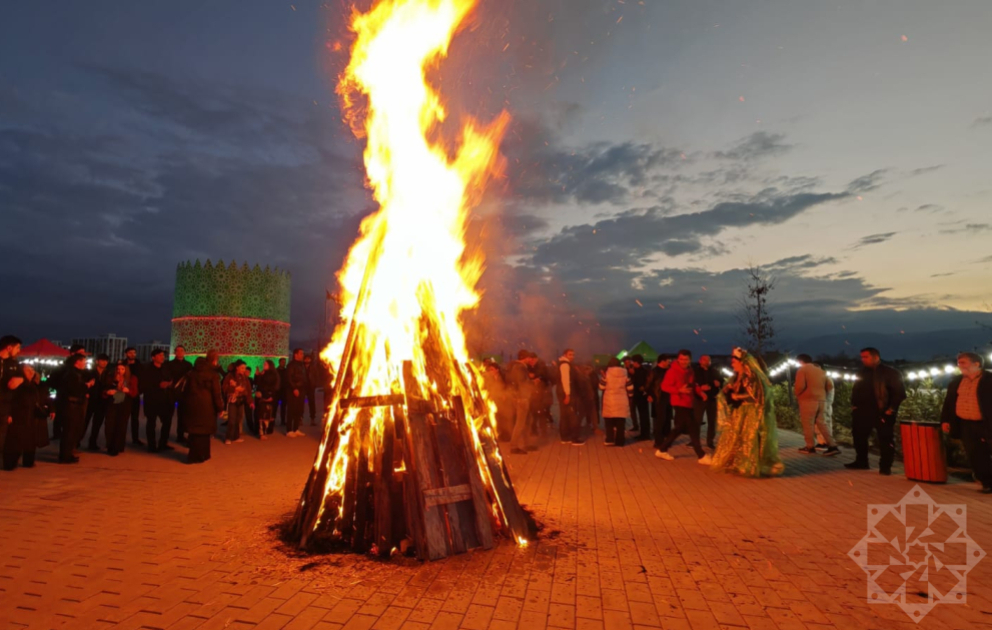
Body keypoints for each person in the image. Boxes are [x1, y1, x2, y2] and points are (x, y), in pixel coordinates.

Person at [710, 348, 784, 477]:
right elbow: (729, 390)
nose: (732, 365)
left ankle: (749, 465)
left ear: (742, 362)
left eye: (734, 362)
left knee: (749, 439)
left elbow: (755, 395)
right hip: (739, 412)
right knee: (737, 438)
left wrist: (736, 397)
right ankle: (738, 463)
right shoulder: (737, 376)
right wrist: (728, 391)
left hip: (750, 412)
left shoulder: (752, 376)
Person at [846, 347, 906, 475]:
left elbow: (899, 393)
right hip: (862, 412)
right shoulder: (862, 372)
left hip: (882, 412)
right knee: (859, 437)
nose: (863, 360)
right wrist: (854, 405)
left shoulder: (890, 372)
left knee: (885, 439)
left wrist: (891, 409)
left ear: (876, 357)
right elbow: (856, 389)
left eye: (866, 357)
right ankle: (861, 461)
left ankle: (885, 466)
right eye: (862, 357)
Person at [941, 352, 992, 493]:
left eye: (963, 362)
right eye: (958, 362)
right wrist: (945, 420)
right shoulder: (956, 381)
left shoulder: (989, 380)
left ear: (976, 364)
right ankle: (987, 483)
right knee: (975, 454)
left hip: (986, 423)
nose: (959, 365)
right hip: (966, 424)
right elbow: (949, 403)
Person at [655, 349, 709, 463]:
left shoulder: (690, 371)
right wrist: (679, 390)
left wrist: (700, 392)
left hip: (689, 402)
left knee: (679, 428)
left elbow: (693, 385)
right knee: (694, 428)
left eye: (686, 359)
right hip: (679, 402)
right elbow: (664, 386)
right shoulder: (672, 371)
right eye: (681, 359)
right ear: (677, 359)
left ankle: (662, 449)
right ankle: (701, 455)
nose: (683, 361)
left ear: (690, 360)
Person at [2, 364, 48, 470]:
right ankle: (10, 463)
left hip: (30, 416)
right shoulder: (17, 383)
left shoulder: (32, 384)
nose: (31, 372)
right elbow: (9, 399)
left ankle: (28, 461)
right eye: (28, 370)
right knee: (14, 441)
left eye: (32, 369)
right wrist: (8, 414)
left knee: (30, 440)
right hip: (18, 416)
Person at [794, 355, 840, 456]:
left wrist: (797, 394)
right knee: (822, 423)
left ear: (800, 361)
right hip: (822, 400)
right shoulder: (822, 371)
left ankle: (810, 447)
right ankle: (832, 445)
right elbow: (829, 386)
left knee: (808, 424)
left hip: (808, 400)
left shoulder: (803, 370)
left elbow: (800, 386)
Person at [184, 351, 223, 464]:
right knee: (204, 432)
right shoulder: (212, 374)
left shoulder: (191, 373)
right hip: (207, 406)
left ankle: (197, 455)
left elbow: (186, 390)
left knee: (195, 432)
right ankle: (202, 455)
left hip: (192, 405)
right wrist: (220, 408)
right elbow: (216, 393)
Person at [60, 354, 93, 464]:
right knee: (69, 431)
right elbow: (75, 389)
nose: (85, 363)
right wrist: (87, 385)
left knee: (73, 431)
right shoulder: (71, 374)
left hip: (75, 404)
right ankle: (65, 456)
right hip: (71, 405)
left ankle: (68, 453)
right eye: (84, 361)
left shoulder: (76, 373)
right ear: (77, 362)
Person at [141, 349, 174, 452]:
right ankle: (152, 445)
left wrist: (169, 384)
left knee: (167, 422)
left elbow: (169, 379)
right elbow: (143, 384)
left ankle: (163, 443)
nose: (162, 357)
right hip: (152, 400)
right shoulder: (147, 369)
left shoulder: (165, 368)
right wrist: (158, 385)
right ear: (153, 357)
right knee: (151, 423)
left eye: (163, 355)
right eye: (159, 355)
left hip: (165, 400)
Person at [102, 361, 137, 456]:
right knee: (110, 424)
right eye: (118, 369)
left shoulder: (131, 379)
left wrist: (128, 391)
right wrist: (107, 392)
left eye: (122, 369)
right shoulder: (110, 377)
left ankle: (118, 446)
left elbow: (134, 393)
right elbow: (103, 389)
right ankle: (110, 445)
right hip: (112, 403)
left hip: (124, 403)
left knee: (121, 425)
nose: (120, 371)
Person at [693, 355, 724, 450]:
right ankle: (695, 441)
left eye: (708, 360)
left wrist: (719, 384)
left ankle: (710, 441)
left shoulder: (714, 371)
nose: (706, 361)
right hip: (700, 399)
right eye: (704, 360)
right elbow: (692, 384)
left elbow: (722, 382)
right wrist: (700, 388)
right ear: (700, 361)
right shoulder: (695, 371)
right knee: (697, 421)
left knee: (712, 421)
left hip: (712, 399)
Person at [506, 350, 534, 454]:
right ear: (524, 358)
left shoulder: (514, 367)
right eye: (529, 357)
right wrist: (531, 382)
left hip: (519, 397)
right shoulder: (520, 367)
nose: (530, 359)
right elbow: (521, 382)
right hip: (521, 399)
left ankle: (526, 444)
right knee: (520, 423)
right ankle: (514, 446)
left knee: (527, 421)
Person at [600, 357, 631, 447]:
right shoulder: (625, 373)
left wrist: (603, 378)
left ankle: (610, 440)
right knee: (620, 422)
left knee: (609, 422)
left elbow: (601, 387)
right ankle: (620, 441)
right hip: (622, 400)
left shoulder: (607, 374)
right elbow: (630, 388)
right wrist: (630, 396)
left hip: (610, 400)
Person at [0, 335, 23, 454]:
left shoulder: (13, 364)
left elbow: (22, 377)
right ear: (9, 348)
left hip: (4, 408)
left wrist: (20, 380)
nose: (19, 351)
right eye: (17, 348)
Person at [83, 353, 111, 451]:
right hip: (90, 400)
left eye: (106, 361)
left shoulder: (108, 374)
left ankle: (92, 443)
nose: (104, 363)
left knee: (97, 424)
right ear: (97, 361)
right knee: (84, 422)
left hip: (102, 401)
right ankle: (76, 442)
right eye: (102, 360)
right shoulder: (90, 373)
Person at [556, 348, 583, 445]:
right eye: (570, 354)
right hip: (566, 393)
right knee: (572, 415)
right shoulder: (565, 365)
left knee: (565, 415)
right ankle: (574, 438)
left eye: (573, 354)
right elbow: (565, 380)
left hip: (561, 392)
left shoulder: (562, 364)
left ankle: (565, 437)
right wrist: (567, 394)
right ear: (565, 355)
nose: (572, 357)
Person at [222, 360, 252, 444]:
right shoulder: (230, 376)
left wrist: (250, 401)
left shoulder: (244, 378)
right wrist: (234, 389)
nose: (243, 370)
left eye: (244, 368)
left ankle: (236, 436)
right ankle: (228, 437)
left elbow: (248, 389)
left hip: (241, 400)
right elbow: (224, 387)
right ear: (237, 367)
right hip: (233, 400)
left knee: (238, 419)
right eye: (242, 368)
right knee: (231, 419)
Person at [168, 346, 193, 444]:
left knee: (182, 416)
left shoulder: (188, 365)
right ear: (175, 352)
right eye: (177, 350)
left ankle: (180, 436)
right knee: (168, 415)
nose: (179, 352)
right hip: (172, 392)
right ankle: (165, 437)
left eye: (181, 350)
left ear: (184, 352)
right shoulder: (169, 364)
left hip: (184, 393)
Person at [647, 354, 673, 447]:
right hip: (659, 398)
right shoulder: (654, 371)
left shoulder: (669, 371)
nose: (669, 363)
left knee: (668, 419)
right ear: (662, 361)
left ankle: (667, 440)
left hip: (669, 398)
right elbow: (648, 384)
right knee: (660, 420)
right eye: (668, 361)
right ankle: (658, 442)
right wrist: (650, 394)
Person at [254, 360, 280, 439]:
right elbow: (257, 383)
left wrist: (268, 394)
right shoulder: (263, 373)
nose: (264, 365)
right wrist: (257, 375)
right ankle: (260, 431)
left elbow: (273, 386)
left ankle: (265, 431)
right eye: (264, 363)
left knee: (266, 414)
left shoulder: (273, 374)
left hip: (268, 396)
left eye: (266, 364)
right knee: (260, 414)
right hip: (261, 396)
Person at [123, 347, 143, 446]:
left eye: (134, 353)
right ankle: (121, 438)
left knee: (135, 418)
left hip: (135, 394)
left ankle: (135, 439)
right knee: (123, 417)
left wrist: (139, 391)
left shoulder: (139, 365)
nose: (132, 354)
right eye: (130, 353)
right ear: (126, 354)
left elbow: (142, 379)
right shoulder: (122, 364)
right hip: (123, 394)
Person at [285, 349, 308, 437]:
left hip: (301, 390)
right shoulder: (291, 365)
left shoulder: (301, 365)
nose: (302, 355)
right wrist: (294, 388)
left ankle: (296, 428)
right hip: (293, 390)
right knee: (291, 409)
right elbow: (289, 378)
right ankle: (289, 430)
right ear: (296, 355)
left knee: (298, 410)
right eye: (301, 353)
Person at [628, 355, 650, 441]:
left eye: (633, 361)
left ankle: (645, 434)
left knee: (643, 415)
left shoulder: (641, 371)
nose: (632, 363)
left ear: (636, 362)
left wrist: (633, 374)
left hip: (641, 396)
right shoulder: (638, 370)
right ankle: (644, 433)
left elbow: (640, 383)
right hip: (638, 396)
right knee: (642, 415)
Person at [816, 364, 836, 448]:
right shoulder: (819, 378)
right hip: (819, 404)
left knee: (825, 423)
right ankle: (821, 442)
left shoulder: (826, 378)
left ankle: (828, 442)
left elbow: (829, 388)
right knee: (818, 424)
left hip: (825, 404)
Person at [303, 354, 319, 426]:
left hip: (311, 387)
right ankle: (300, 418)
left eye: (308, 359)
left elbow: (316, 376)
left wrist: (314, 384)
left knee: (312, 403)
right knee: (300, 403)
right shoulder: (301, 367)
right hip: (303, 387)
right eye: (306, 359)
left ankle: (312, 418)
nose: (307, 360)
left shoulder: (313, 367)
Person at [275, 358, 288, 427]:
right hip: (277, 391)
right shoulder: (276, 371)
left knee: (283, 407)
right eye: (282, 362)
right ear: (279, 362)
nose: (283, 363)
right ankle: (273, 420)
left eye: (284, 362)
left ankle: (283, 421)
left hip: (284, 391)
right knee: (275, 406)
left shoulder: (286, 371)